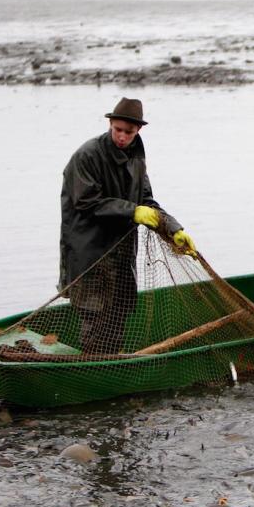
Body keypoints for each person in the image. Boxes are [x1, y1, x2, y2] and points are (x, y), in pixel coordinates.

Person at [60, 98, 196, 354]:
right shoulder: (87, 155)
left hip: (121, 253)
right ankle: (94, 369)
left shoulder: (136, 159)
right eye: (118, 130)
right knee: (95, 314)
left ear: (138, 131)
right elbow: (86, 202)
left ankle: (111, 367)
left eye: (128, 132)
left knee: (119, 312)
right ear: (110, 124)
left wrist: (174, 230)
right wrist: (133, 211)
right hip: (88, 252)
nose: (122, 136)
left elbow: (147, 203)